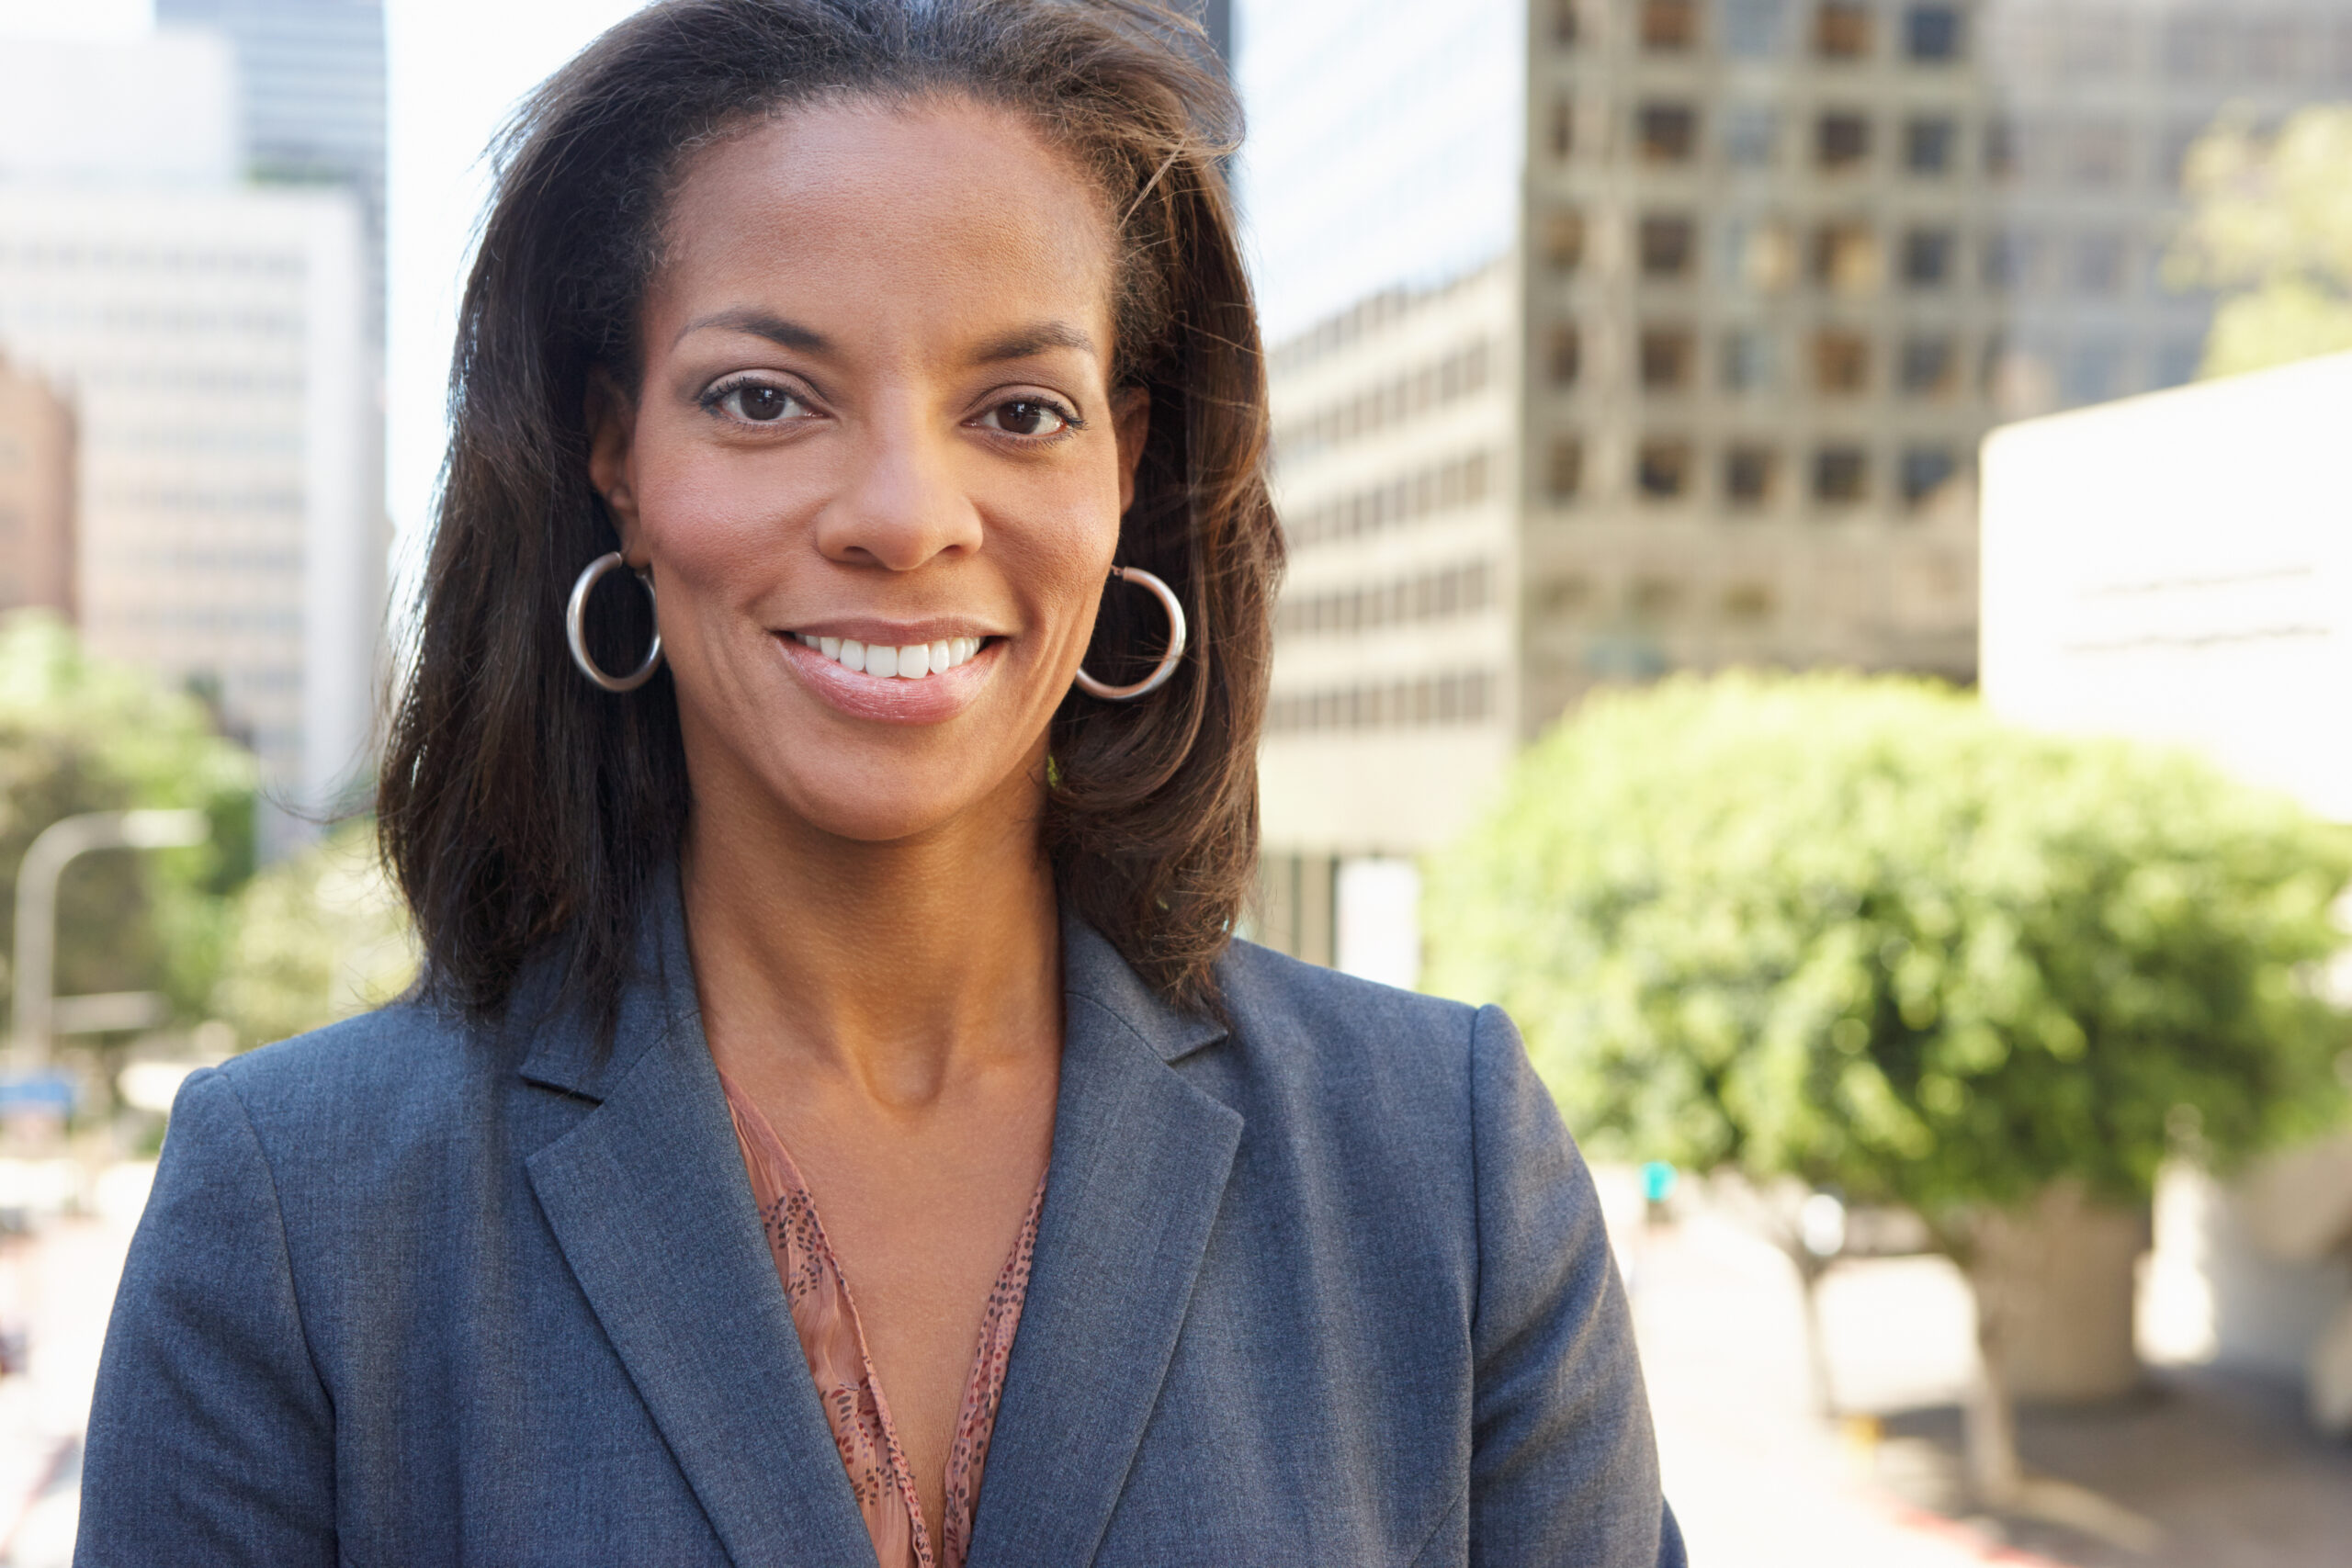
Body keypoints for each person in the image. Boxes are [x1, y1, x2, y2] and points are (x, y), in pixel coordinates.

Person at [76, 2, 1685, 1563]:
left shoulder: (1443, 1168)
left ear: (1124, 466)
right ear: (614, 453)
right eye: (765, 398)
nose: (907, 514)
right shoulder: (298, 1210)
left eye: (1020, 411)